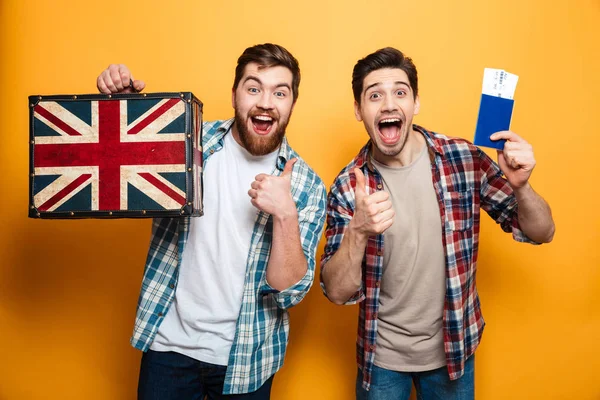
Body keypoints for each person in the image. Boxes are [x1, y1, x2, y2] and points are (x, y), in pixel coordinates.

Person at [320, 47, 555, 400]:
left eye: (400, 92)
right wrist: (358, 230)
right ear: (359, 110)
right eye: (374, 95)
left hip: (454, 351)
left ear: (415, 103)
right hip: (380, 359)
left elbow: (543, 232)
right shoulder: (348, 185)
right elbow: (336, 292)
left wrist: (521, 188)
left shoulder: (464, 161)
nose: (388, 104)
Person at [96, 43, 326, 399]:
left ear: (292, 103)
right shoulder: (187, 143)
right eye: (254, 88)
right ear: (234, 95)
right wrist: (125, 110)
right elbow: (118, 171)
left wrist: (285, 214)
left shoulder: (307, 185)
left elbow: (288, 293)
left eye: (280, 92)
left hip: (246, 357)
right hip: (168, 346)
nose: (265, 102)